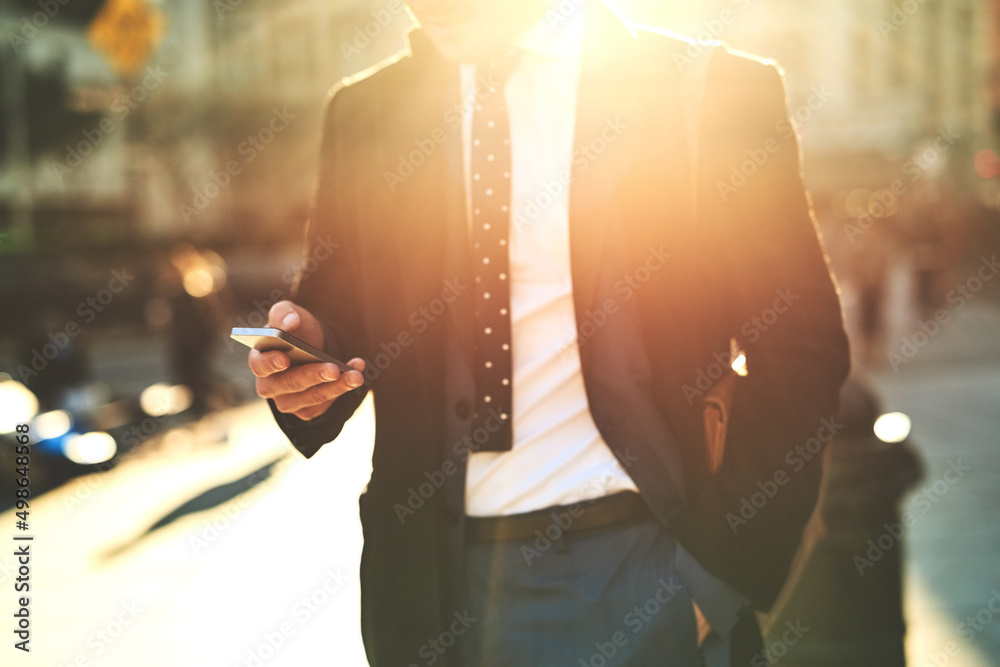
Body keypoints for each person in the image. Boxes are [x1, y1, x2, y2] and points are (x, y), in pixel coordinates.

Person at [248, 1, 850, 665]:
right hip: (431, 591)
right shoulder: (366, 113)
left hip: (641, 571)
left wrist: (722, 577)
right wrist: (307, 365)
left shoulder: (706, 90)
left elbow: (799, 341)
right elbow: (342, 313)